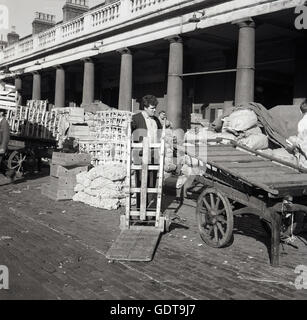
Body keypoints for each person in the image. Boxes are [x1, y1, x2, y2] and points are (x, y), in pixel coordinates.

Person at [131, 95, 162, 212]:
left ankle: (149, 209)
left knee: (152, 183)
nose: (154, 110)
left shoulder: (156, 120)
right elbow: (128, 132)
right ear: (145, 107)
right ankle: (140, 210)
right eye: (152, 108)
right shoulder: (136, 118)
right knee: (140, 183)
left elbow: (160, 135)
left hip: (154, 155)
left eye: (155, 108)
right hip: (140, 156)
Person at [0, 108, 10, 173]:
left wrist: (3, 148)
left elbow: (6, 136)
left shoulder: (4, 122)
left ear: (1, 113)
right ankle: (11, 174)